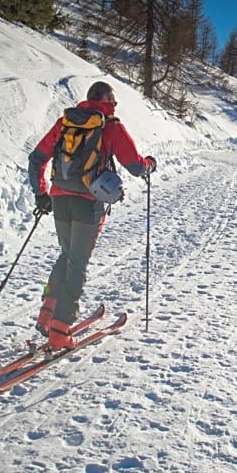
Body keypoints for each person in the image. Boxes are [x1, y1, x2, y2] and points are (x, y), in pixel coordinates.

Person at [28, 81, 155, 349]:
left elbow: (36, 158)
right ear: (107, 99)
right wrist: (149, 165)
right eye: (114, 99)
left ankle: (47, 313)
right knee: (77, 264)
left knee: (66, 255)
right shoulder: (111, 125)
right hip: (89, 204)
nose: (116, 104)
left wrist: (41, 193)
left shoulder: (66, 122)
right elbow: (134, 165)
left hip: (59, 198)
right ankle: (60, 332)